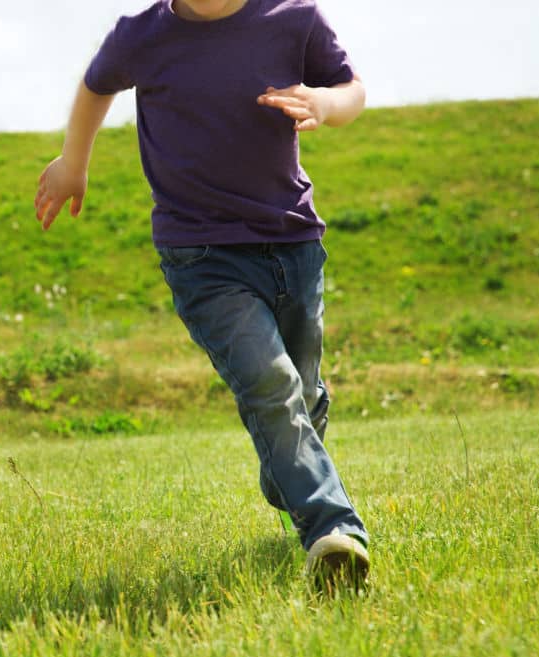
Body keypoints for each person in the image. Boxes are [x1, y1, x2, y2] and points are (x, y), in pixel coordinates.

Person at [34, 0, 371, 590]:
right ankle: (331, 531)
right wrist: (73, 162)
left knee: (301, 389)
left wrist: (325, 103)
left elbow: (352, 89)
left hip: (293, 242)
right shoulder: (142, 35)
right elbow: (94, 86)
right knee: (271, 384)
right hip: (202, 255)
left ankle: (288, 469)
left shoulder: (293, 19)